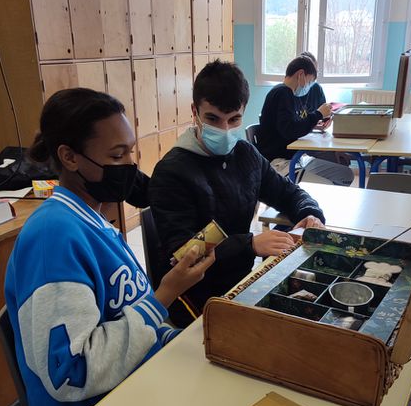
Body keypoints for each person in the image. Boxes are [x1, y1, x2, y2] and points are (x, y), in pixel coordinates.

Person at [5, 88, 214, 406]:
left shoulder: (93, 221)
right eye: (117, 156)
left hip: (132, 382)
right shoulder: (52, 238)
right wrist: (164, 296)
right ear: (70, 158)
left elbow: (124, 312)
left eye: (130, 152)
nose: (129, 167)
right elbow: (71, 372)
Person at [148, 60, 327, 322]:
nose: (224, 129)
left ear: (244, 112)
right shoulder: (171, 172)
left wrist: (310, 213)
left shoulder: (245, 154)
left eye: (234, 119)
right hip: (195, 295)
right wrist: (250, 244)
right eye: (212, 119)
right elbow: (185, 252)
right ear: (194, 111)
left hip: (239, 281)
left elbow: (287, 192)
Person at [256, 54, 354, 185]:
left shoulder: (287, 94)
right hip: (278, 163)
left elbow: (292, 124)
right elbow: (290, 130)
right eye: (309, 81)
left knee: (346, 173)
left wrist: (312, 124)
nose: (309, 87)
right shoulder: (282, 93)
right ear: (300, 74)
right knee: (334, 182)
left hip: (295, 158)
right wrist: (318, 114)